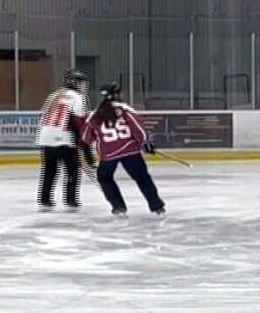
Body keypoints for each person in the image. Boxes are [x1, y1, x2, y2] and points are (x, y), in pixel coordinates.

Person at [81, 82, 165, 216]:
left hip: (109, 153)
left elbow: (86, 137)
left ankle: (118, 207)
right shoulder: (124, 109)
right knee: (143, 178)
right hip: (130, 150)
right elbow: (137, 126)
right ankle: (157, 206)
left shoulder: (96, 114)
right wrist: (145, 141)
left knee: (104, 178)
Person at [35, 69, 94, 211]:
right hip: (63, 137)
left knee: (49, 169)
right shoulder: (77, 97)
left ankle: (44, 199)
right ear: (73, 83)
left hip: (45, 137)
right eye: (80, 82)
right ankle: (71, 200)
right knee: (72, 170)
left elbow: (44, 116)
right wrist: (86, 150)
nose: (82, 86)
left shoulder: (53, 95)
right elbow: (80, 122)